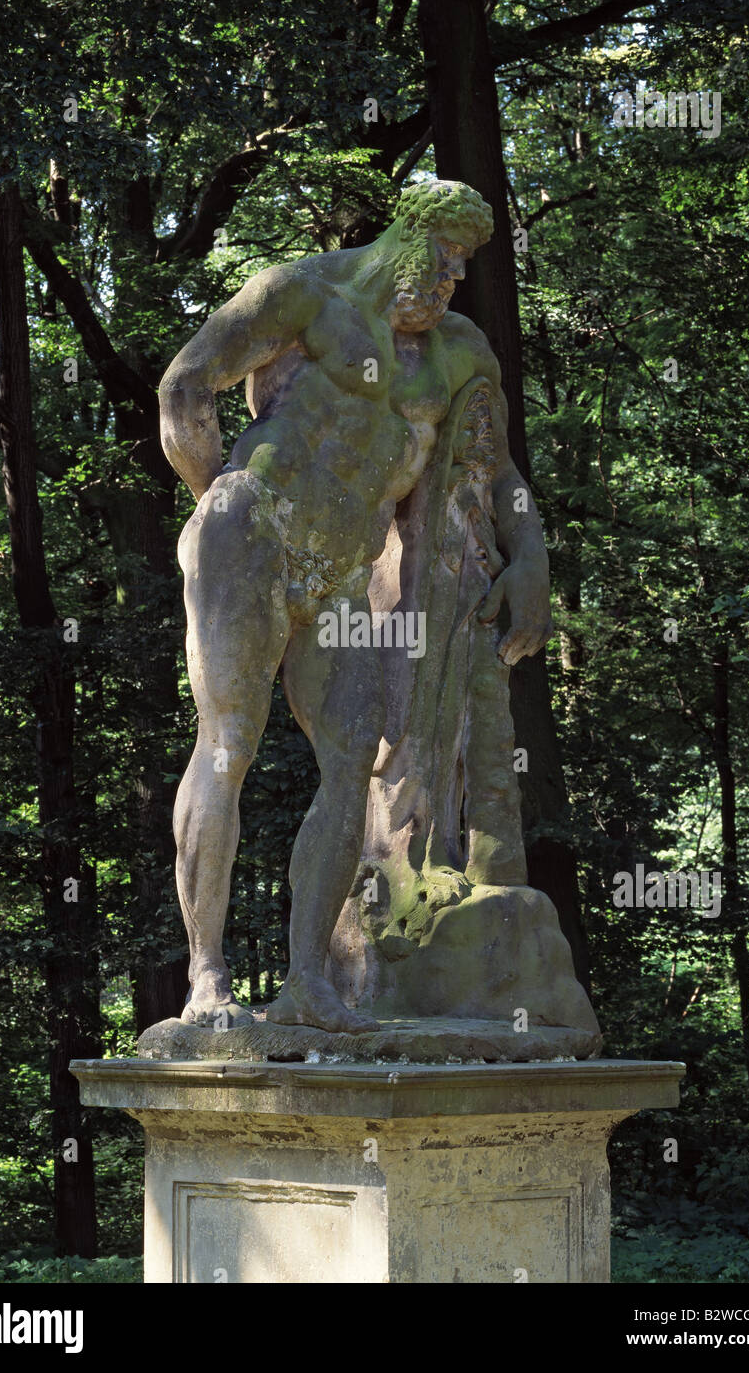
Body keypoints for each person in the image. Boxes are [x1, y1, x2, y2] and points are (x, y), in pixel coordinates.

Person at [158, 180, 552, 1033]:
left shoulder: (456, 352)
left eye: (460, 270)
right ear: (404, 236)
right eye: (440, 258)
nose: (448, 280)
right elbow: (185, 386)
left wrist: (531, 560)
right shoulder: (301, 292)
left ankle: (309, 984)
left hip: (339, 571)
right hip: (253, 532)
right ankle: (207, 980)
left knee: (351, 764)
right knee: (228, 743)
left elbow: (500, 474)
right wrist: (216, 504)